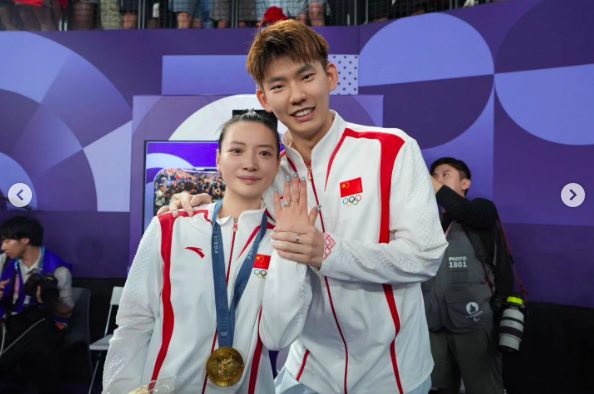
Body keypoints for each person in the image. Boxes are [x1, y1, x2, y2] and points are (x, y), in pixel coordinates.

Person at [161, 20, 448, 394]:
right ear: (264, 98)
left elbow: (425, 256)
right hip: (306, 375)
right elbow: (237, 216)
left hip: (395, 375)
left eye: (306, 76)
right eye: (278, 86)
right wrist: (198, 205)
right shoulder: (268, 171)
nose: (296, 95)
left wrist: (326, 251)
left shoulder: (390, 149)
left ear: (330, 76)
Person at [103, 111, 293, 394]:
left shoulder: (283, 241)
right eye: (237, 150)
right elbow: (133, 322)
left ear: (278, 164)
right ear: (218, 159)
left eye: (264, 153)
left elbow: (280, 334)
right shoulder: (170, 226)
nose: (250, 164)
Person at [424, 158, 505, 394]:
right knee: (438, 387)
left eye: (445, 174)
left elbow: (463, 210)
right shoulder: (427, 223)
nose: (437, 180)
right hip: (433, 324)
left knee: (483, 387)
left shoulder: (482, 211)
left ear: (465, 183)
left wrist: (425, 178)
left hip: (474, 321)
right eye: (434, 175)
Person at [0, 216, 74, 394]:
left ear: (25, 240)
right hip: (9, 323)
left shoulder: (58, 270)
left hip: (44, 325)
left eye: (7, 241)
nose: (3, 247)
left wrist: (49, 302)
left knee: (42, 351)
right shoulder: (3, 262)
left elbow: (67, 312)